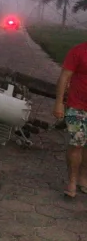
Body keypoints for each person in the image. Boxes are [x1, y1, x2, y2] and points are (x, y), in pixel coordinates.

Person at [53, 41, 87, 198]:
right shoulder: (77, 51)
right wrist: (59, 103)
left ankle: (83, 178)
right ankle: (72, 181)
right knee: (76, 145)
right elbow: (64, 77)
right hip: (77, 107)